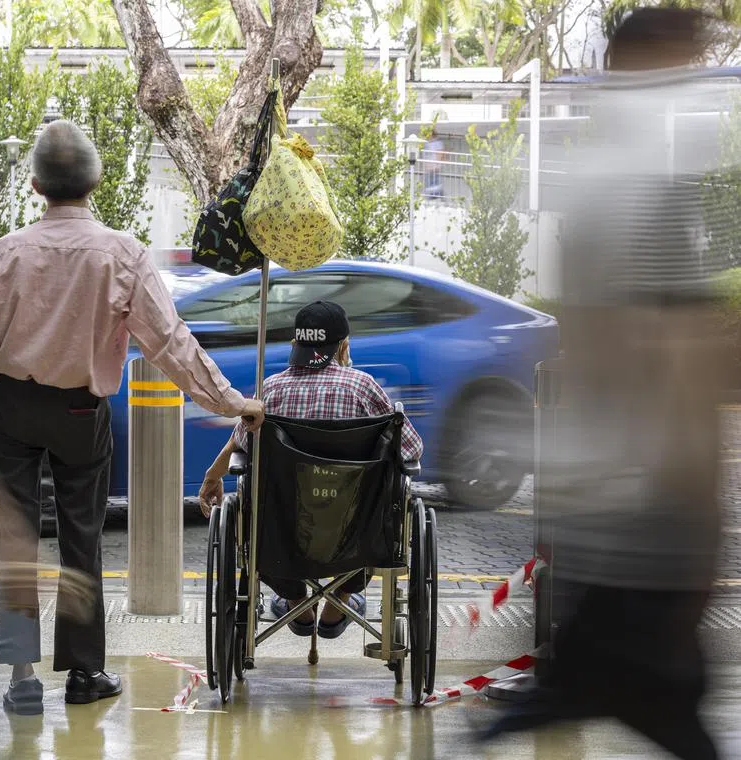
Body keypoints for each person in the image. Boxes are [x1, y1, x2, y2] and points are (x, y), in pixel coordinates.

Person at [0, 119, 265, 716]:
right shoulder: (123, 254)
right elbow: (170, 342)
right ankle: (83, 673)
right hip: (79, 410)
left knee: (16, 542)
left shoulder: (6, 253)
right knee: (82, 540)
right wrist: (232, 401)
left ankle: (22, 679)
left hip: (11, 409)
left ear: (37, 184)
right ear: (95, 181)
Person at [479, 8, 726, 759]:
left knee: (641, 696)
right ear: (646, 63)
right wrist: (695, 497)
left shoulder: (595, 181)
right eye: (686, 60)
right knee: (660, 701)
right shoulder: (645, 188)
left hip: (610, 512)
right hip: (648, 510)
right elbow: (667, 349)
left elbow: (592, 345)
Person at [199, 301, 423, 639]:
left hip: (283, 536)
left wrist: (212, 476)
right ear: (343, 346)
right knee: (365, 512)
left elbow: (239, 444)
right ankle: (337, 607)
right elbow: (411, 451)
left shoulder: (270, 391)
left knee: (273, 519)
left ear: (295, 345)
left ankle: (295, 604)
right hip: (355, 535)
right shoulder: (364, 387)